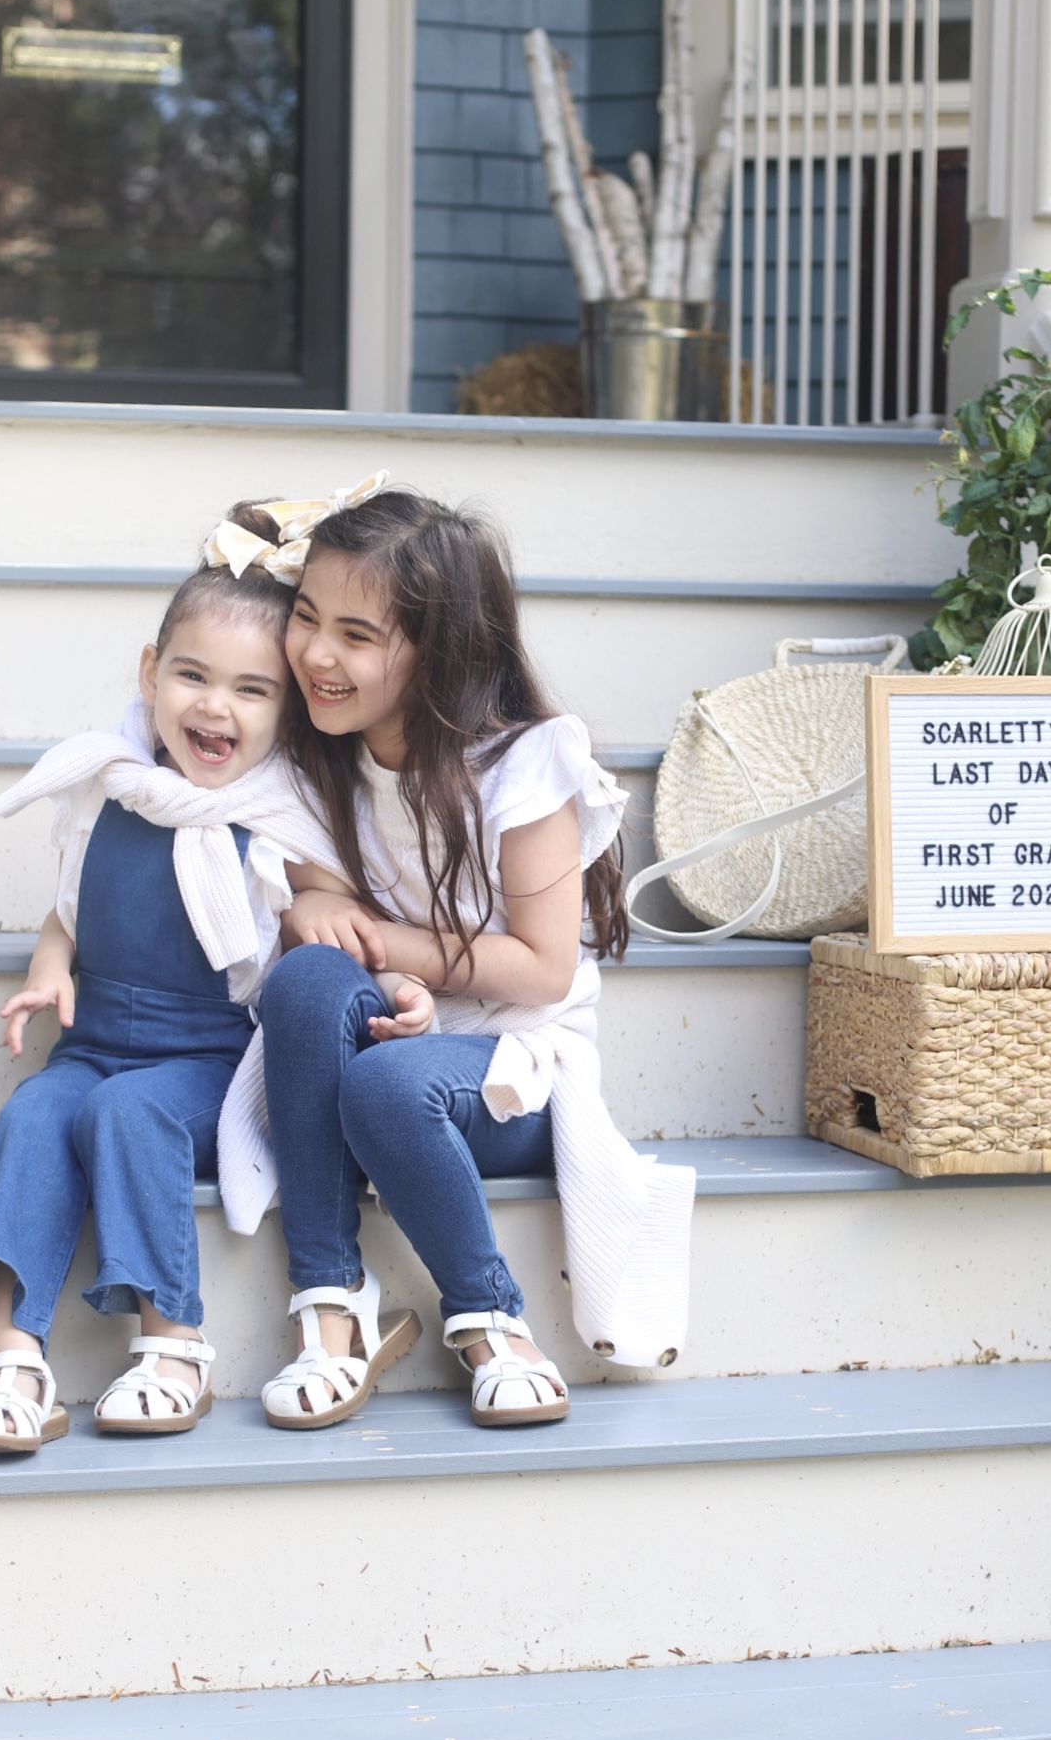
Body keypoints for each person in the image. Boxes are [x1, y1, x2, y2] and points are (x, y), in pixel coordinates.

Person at [0, 491, 431, 1456]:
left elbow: (335, 930)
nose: (215, 706)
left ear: (286, 714)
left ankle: (172, 1344)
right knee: (31, 1117)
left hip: (205, 1067)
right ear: (149, 675)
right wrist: (51, 971)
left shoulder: (275, 817)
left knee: (126, 1114)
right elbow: (66, 911)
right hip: (90, 1048)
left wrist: (393, 983)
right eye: (192, 677)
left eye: (252, 691)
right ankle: (14, 1363)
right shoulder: (112, 789)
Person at [217, 483, 696, 1433]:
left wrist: (382, 942)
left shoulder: (523, 765)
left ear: (437, 652)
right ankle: (329, 1300)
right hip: (391, 1021)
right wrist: (326, 917)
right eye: (305, 617)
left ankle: (491, 1322)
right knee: (306, 978)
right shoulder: (317, 762)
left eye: (357, 635)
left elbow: (542, 970)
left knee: (389, 1087)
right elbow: (334, 942)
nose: (316, 652)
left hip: (513, 1069)